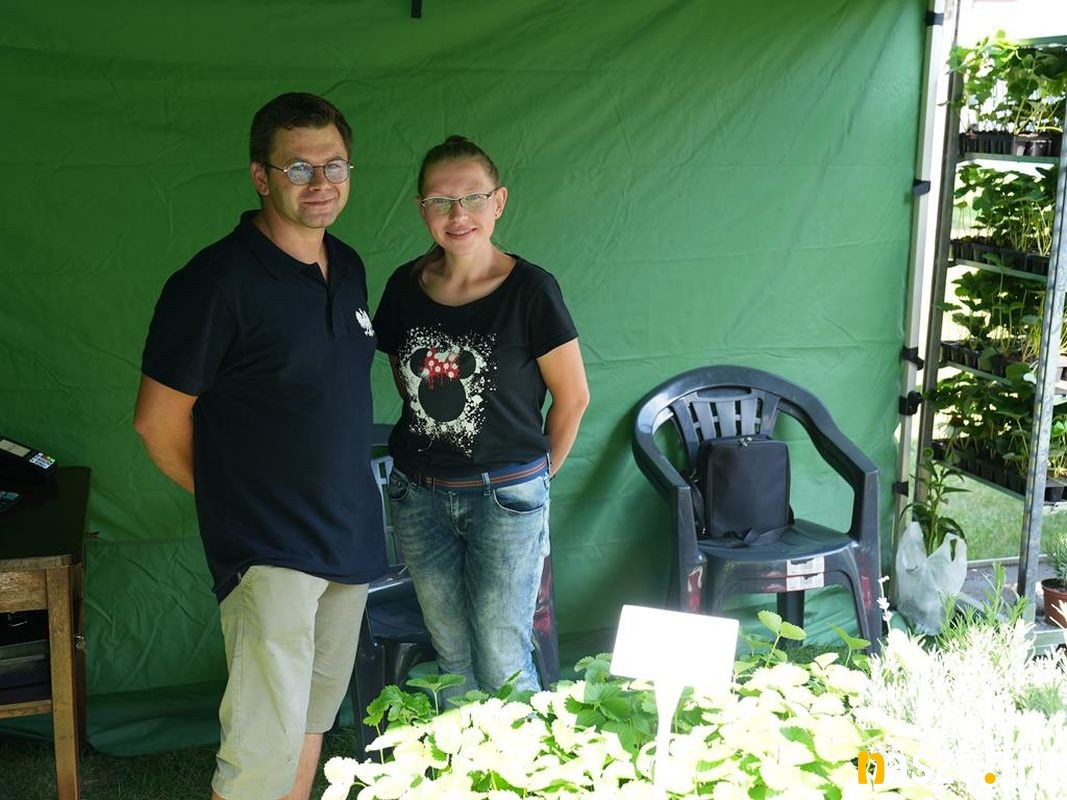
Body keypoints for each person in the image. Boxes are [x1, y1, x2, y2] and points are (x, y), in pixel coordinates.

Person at [133, 92, 386, 800]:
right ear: (261, 177)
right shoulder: (215, 283)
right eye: (298, 168)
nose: (320, 182)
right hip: (269, 546)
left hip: (349, 537)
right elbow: (156, 422)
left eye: (334, 165)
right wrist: (231, 498)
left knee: (310, 723)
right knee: (258, 755)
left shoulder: (348, 266)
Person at [373, 135, 590, 696]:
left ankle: (522, 754)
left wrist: (535, 480)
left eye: (472, 197)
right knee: (450, 653)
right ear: (422, 209)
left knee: (501, 657)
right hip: (419, 497)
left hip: (506, 497)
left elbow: (572, 398)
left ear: (499, 202)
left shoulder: (531, 290)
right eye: (440, 201)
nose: (458, 214)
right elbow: (404, 377)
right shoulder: (403, 287)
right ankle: (464, 752)